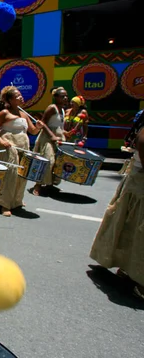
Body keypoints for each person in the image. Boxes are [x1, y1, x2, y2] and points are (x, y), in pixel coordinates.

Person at [90, 113, 144, 299]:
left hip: (137, 181)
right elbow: (142, 141)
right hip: (140, 181)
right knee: (134, 226)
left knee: (132, 226)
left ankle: (127, 267)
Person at [0, 86, 43, 217]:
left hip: (23, 147)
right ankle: (4, 204)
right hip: (9, 148)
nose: (21, 97)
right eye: (17, 96)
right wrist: (1, 141)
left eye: (20, 95)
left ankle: (16, 200)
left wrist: (38, 127)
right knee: (10, 175)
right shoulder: (4, 113)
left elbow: (32, 131)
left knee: (21, 175)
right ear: (10, 100)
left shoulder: (24, 114)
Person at [32, 87, 68, 196]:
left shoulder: (62, 109)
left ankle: (49, 185)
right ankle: (37, 185)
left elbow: (58, 126)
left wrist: (66, 133)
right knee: (48, 161)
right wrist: (52, 135)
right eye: (62, 96)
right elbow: (43, 123)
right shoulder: (52, 108)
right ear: (56, 97)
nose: (65, 98)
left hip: (58, 138)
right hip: (47, 137)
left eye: (66, 96)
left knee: (57, 162)